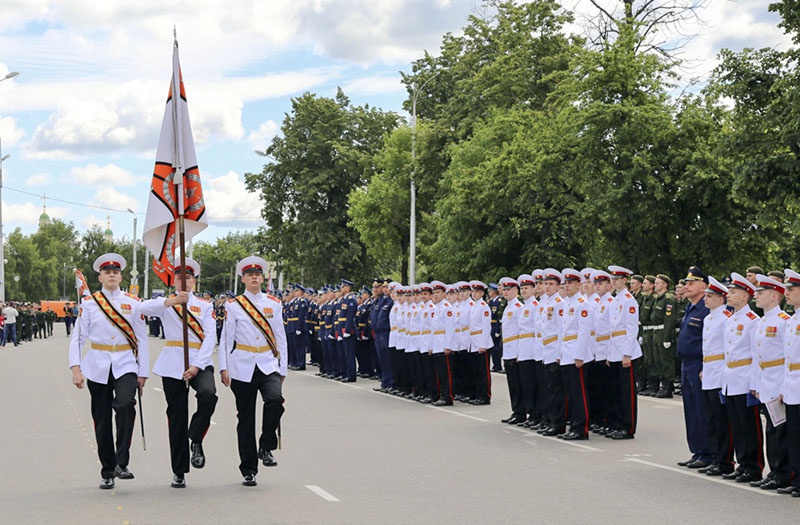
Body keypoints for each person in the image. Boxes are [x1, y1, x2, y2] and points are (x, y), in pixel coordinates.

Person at [68, 253, 149, 490]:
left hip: (125, 363)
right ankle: (107, 470)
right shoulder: (90, 304)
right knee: (101, 419)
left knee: (125, 405)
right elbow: (78, 338)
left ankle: (121, 462)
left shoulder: (134, 303)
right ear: (100, 277)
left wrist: (142, 373)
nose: (112, 275)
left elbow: (142, 339)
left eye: (115, 272)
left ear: (121, 276)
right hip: (97, 364)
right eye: (107, 272)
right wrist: (76, 368)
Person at [139, 257, 218, 489]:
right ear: (174, 281)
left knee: (208, 394)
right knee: (176, 416)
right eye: (180, 278)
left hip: (198, 360)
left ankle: (196, 437)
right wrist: (170, 302)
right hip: (173, 360)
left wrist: (197, 365)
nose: (184, 281)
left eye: (189, 278)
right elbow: (141, 308)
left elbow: (210, 336)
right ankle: (179, 471)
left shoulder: (205, 306)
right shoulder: (166, 303)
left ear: (194, 281)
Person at [219, 256, 288, 487]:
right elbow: (226, 338)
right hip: (242, 365)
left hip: (268, 363)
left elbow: (281, 337)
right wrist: (224, 367)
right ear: (243, 279)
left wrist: (283, 367)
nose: (254, 278)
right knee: (246, 419)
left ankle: (266, 445)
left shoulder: (274, 304)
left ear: (262, 278)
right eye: (250, 275)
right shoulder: (233, 305)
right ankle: (248, 469)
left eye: (257, 275)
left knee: (275, 400)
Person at [676, 266, 712, 468]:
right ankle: (697, 450)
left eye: (691, 283)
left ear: (703, 286)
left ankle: (707, 452)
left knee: (701, 409)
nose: (686, 286)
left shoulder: (705, 309)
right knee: (690, 409)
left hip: (698, 363)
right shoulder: (690, 307)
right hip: (686, 363)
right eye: (686, 282)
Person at [698, 276, 734, 476]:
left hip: (721, 371)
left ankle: (724, 460)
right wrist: (704, 367)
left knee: (721, 419)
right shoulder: (708, 318)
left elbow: (727, 348)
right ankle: (714, 457)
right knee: (711, 417)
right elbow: (707, 347)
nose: (706, 299)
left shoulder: (726, 318)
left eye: (710, 296)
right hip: (710, 370)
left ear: (721, 299)